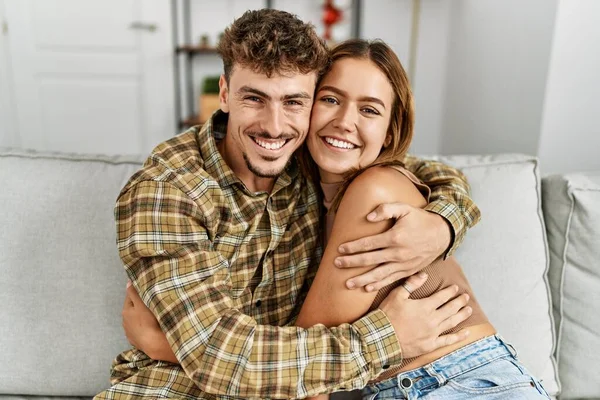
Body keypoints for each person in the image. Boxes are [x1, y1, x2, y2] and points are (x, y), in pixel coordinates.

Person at [95, 10, 480, 400]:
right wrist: (389, 337)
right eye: (255, 98)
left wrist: (441, 224)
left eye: (294, 102)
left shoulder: (312, 157)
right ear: (225, 93)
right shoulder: (168, 192)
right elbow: (219, 355)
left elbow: (431, 173)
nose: (274, 126)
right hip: (170, 390)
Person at [293, 39, 550, 399]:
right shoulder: (309, 196)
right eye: (331, 99)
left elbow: (310, 366)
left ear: (390, 132)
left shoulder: (375, 191)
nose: (344, 122)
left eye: (369, 110)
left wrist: (443, 225)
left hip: (463, 383)